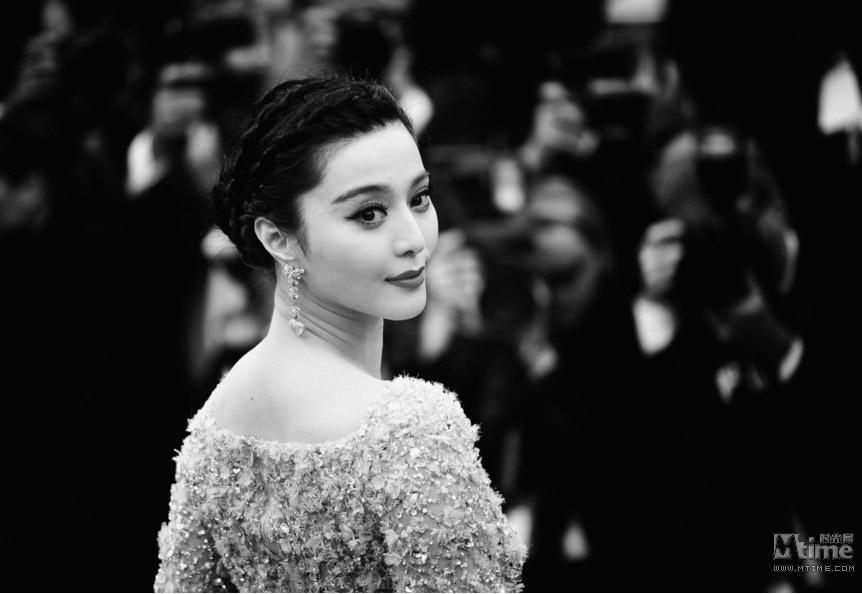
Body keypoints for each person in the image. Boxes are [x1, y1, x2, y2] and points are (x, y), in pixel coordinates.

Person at [153, 76, 526, 593]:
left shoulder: (215, 422)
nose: (413, 239)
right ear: (278, 238)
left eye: (420, 198)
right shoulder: (410, 432)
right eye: (368, 214)